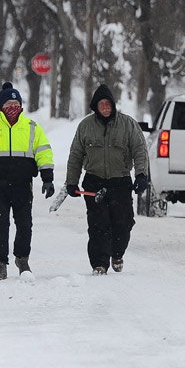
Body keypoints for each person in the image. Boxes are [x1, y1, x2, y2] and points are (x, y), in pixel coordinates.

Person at [0, 82, 55, 281]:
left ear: (21, 105)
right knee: (0, 224)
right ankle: (0, 264)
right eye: (8, 104)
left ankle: (22, 260)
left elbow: (44, 153)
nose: (12, 107)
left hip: (23, 185)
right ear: (1, 106)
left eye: (16, 103)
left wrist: (47, 178)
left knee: (24, 224)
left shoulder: (32, 127)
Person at [65, 83, 149, 275]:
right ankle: (99, 264)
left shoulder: (127, 124)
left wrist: (141, 174)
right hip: (94, 182)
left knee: (123, 223)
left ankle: (117, 254)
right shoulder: (85, 126)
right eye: (101, 103)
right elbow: (76, 154)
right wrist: (72, 181)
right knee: (98, 225)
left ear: (113, 105)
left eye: (108, 103)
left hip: (120, 181)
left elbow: (140, 150)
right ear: (95, 106)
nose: (105, 107)